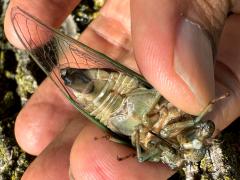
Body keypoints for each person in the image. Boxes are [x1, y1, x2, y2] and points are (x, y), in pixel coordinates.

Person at [4, 0, 240, 179]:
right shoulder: (186, 119)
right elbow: (195, 115)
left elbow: (140, 154)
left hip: (115, 117)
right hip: (129, 90)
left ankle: (68, 76)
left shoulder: (164, 150)